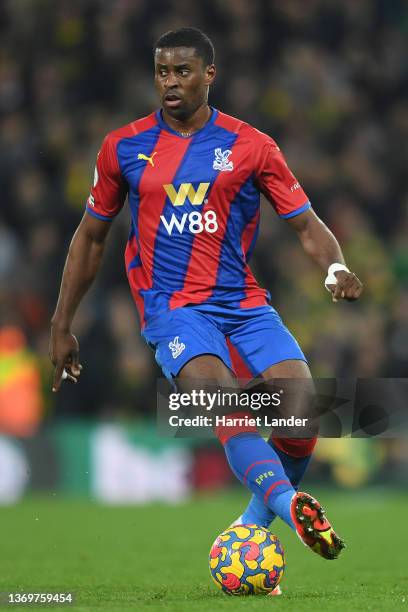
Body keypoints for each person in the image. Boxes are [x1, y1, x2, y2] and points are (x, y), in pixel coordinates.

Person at [49, 26, 363, 575]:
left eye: (182, 72)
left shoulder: (251, 145)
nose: (170, 82)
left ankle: (249, 528)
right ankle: (292, 508)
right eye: (162, 72)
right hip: (172, 308)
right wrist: (62, 322)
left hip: (243, 305)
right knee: (220, 401)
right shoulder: (123, 147)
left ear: (208, 75)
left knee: (303, 411)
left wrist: (335, 267)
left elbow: (308, 225)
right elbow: (90, 238)